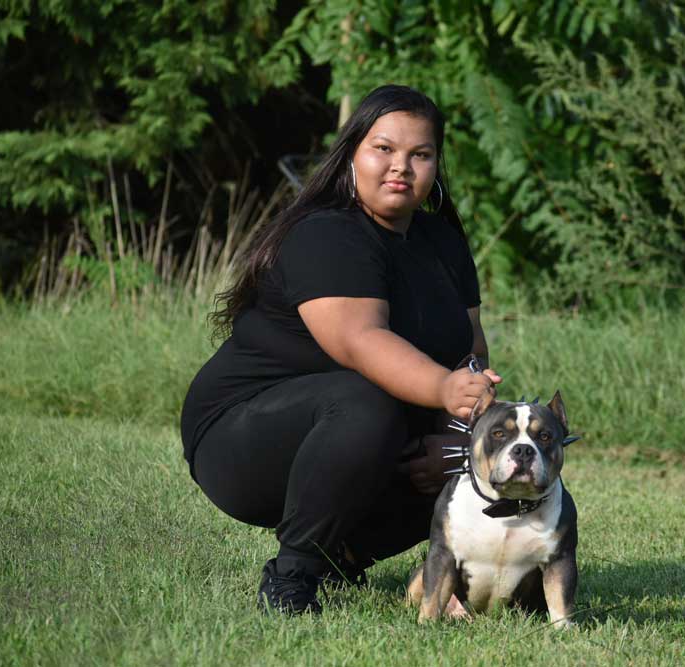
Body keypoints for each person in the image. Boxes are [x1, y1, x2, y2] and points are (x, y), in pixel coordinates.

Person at [180, 84, 501, 615]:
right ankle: (292, 578)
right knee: (365, 403)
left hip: (365, 427)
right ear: (352, 154)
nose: (401, 166)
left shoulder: (441, 240)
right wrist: (444, 391)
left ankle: (343, 557)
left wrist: (454, 432)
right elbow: (361, 341)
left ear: (436, 164)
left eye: (420, 154)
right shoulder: (326, 235)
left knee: (484, 449)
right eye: (384, 149)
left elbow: (470, 346)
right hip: (241, 438)